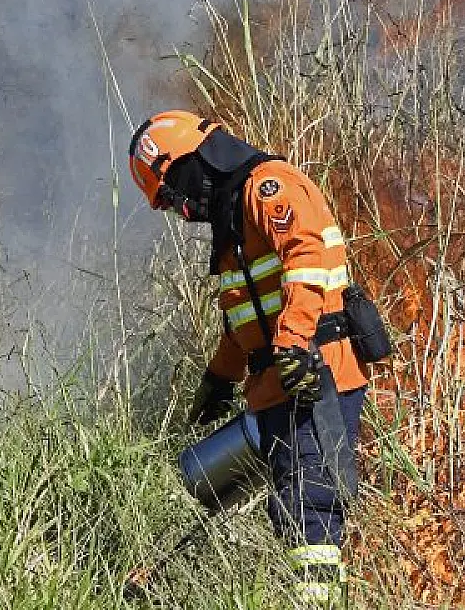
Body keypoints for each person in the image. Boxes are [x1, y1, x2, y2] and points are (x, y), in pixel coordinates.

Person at [128, 110, 367, 607]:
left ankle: (319, 603)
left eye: (174, 195)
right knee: (291, 503)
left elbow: (307, 260)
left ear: (195, 162)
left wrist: (295, 344)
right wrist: (216, 383)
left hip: (312, 373)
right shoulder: (231, 221)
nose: (183, 213)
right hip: (278, 383)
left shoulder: (268, 188)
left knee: (310, 500)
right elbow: (243, 324)